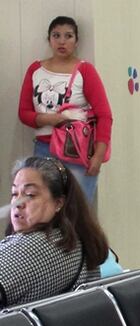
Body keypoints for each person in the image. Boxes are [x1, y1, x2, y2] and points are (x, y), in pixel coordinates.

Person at [18, 16, 111, 204]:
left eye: (68, 36)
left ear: (76, 41)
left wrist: (99, 155)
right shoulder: (35, 70)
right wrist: (50, 119)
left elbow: (105, 115)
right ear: (49, 39)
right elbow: (24, 112)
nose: (62, 41)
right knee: (43, 211)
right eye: (56, 35)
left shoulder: (85, 70)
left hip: (76, 149)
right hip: (44, 149)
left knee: (77, 211)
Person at [2, 156, 109, 307]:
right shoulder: (74, 240)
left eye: (30, 195)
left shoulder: (33, 248)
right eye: (14, 194)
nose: (18, 204)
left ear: (58, 203)